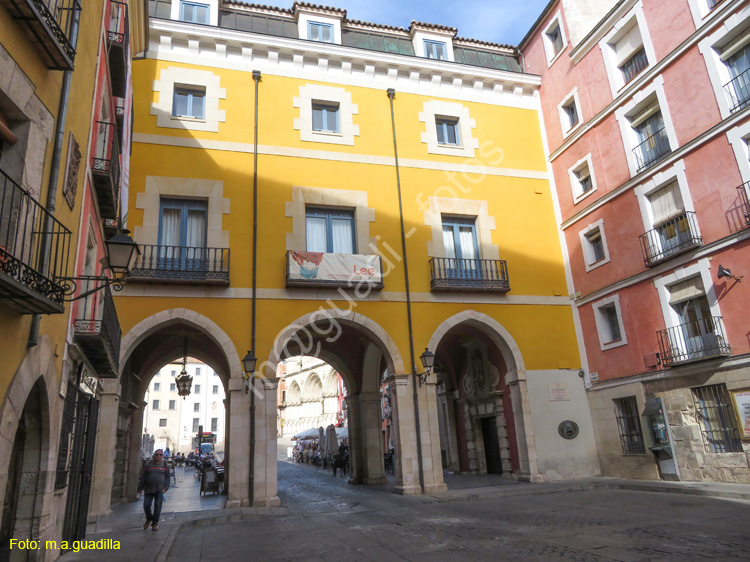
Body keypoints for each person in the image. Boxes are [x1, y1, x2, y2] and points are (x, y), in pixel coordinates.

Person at [137, 449, 170, 531]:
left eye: (161, 455)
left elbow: (167, 478)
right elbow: (143, 477)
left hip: (160, 490)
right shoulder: (148, 465)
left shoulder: (165, 465)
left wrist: (165, 488)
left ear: (162, 456)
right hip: (148, 489)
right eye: (157, 454)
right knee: (146, 505)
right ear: (154, 455)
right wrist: (140, 488)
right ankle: (149, 518)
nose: (159, 456)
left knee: (158, 507)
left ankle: (155, 523)